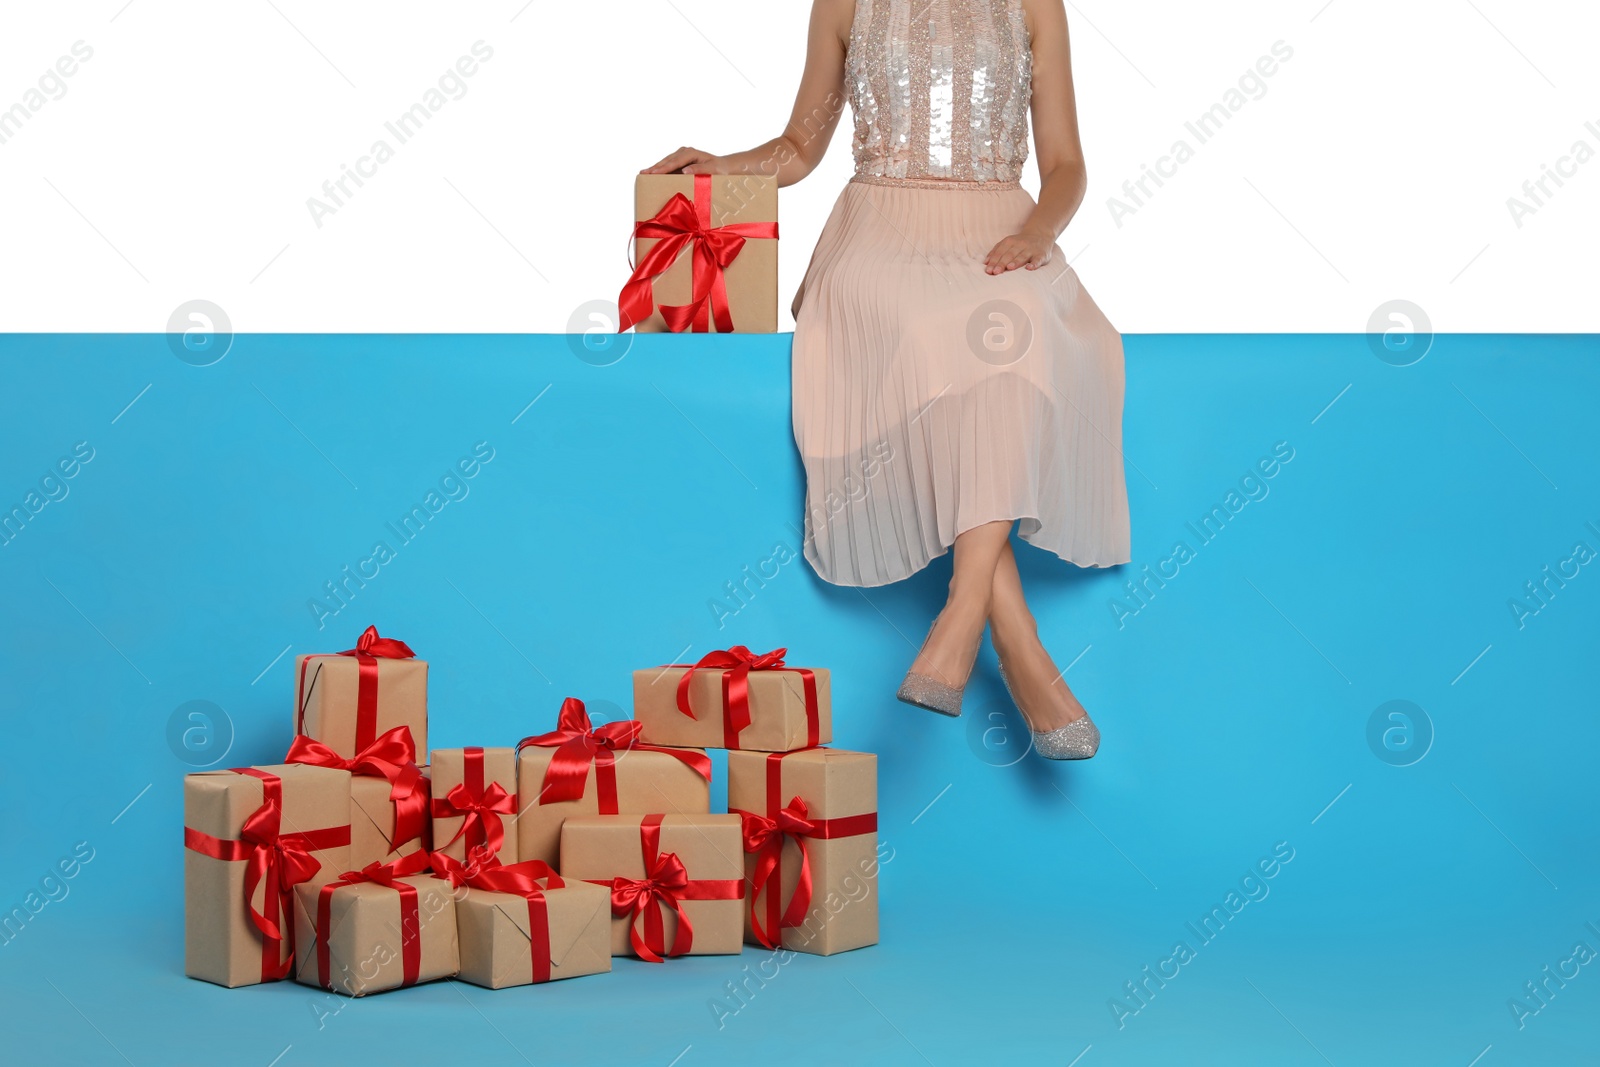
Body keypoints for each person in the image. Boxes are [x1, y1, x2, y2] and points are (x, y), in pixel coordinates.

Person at [645, 0, 1130, 759]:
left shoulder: (1035, 4)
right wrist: (723, 165)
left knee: (1012, 344)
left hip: (999, 231)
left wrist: (1039, 232)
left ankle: (960, 620)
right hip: (877, 233)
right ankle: (1012, 640)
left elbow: (1066, 165)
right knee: (924, 341)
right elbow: (801, 147)